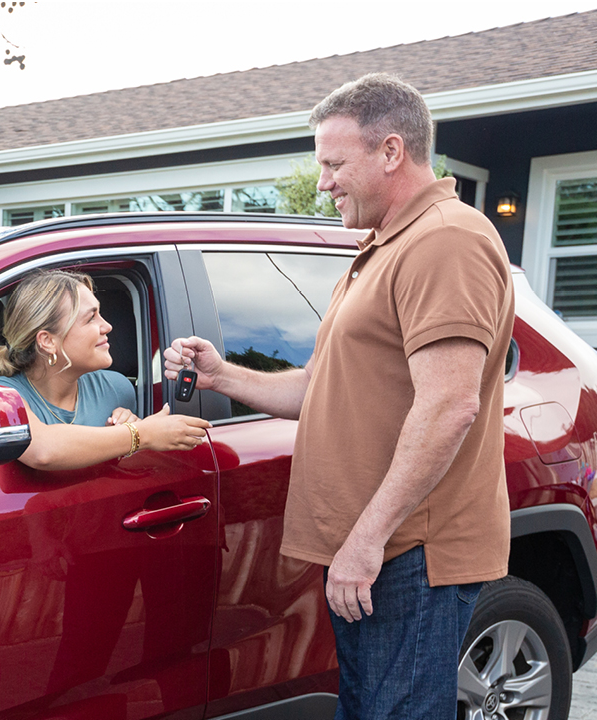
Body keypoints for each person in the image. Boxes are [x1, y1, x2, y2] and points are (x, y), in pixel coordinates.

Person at [165, 73, 514, 718]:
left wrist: (367, 540)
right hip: (379, 551)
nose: (322, 182)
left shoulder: (445, 241)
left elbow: (449, 404)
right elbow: (319, 389)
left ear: (390, 151)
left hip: (408, 555)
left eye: (333, 163)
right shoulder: (384, 245)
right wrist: (223, 377)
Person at [0, 269, 209, 470]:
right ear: (48, 341)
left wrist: (126, 436)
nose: (107, 325)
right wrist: (140, 434)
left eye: (100, 314)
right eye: (90, 318)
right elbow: (43, 451)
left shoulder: (117, 388)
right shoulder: (0, 396)